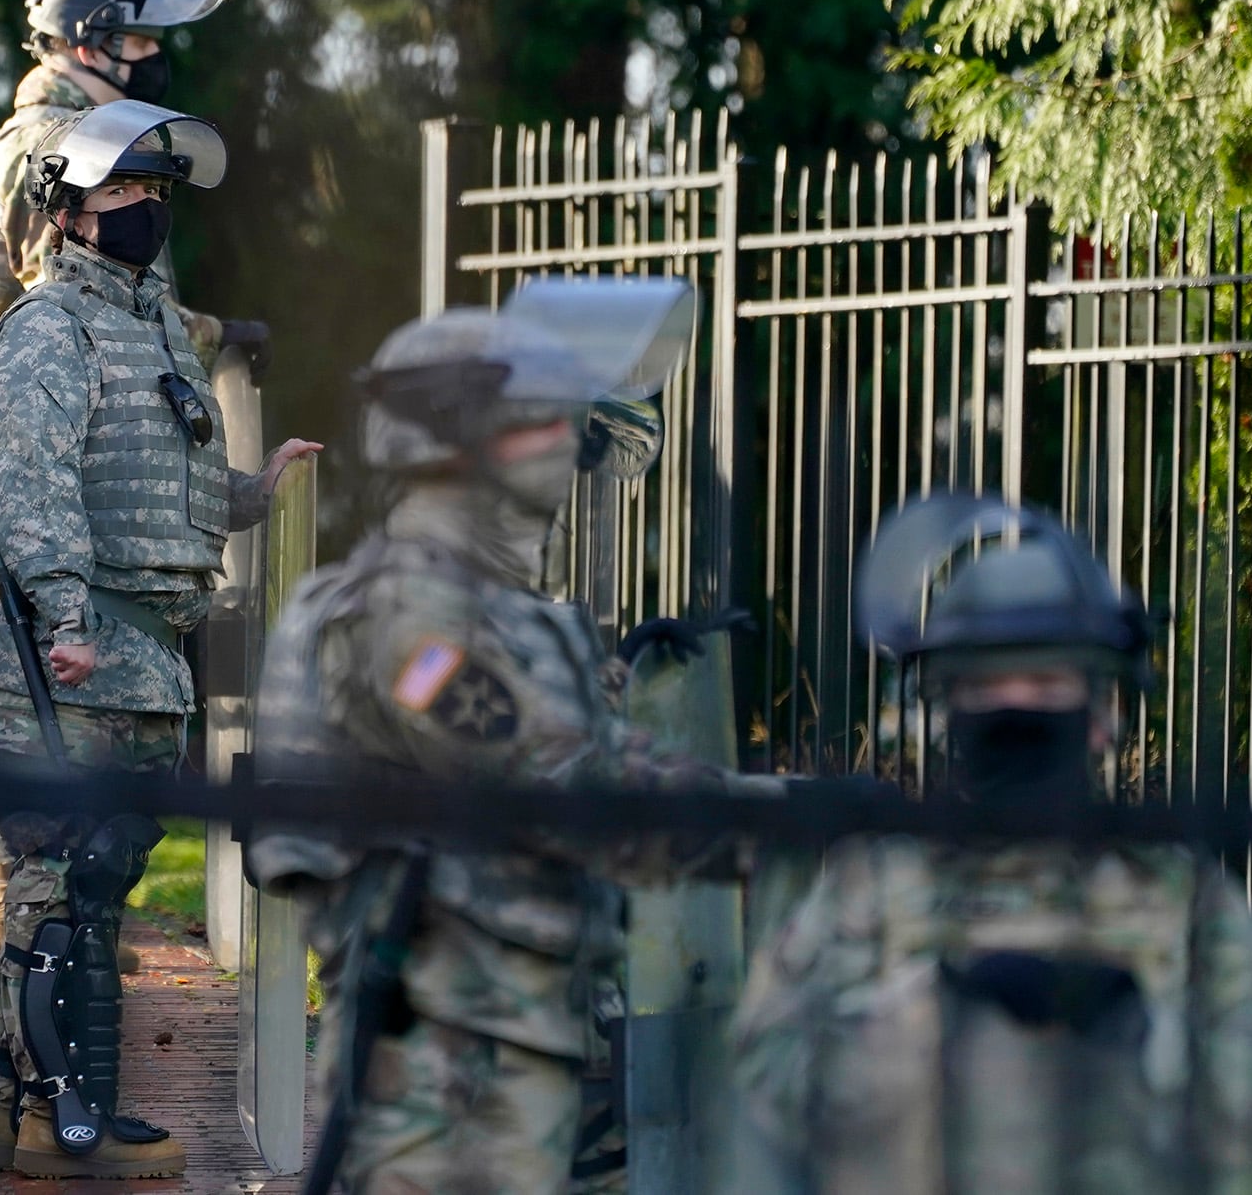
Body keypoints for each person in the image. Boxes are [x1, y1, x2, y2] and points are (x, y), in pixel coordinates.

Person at [246, 305, 854, 1195]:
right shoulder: (400, 618)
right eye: (540, 420)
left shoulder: (492, 613)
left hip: (517, 1044)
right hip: (440, 1074)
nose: (565, 445)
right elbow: (566, 781)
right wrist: (789, 814)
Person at [726, 496, 1252, 1194]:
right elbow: (763, 1096)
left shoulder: (1187, 900)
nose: (1017, 703)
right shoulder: (872, 889)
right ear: (949, 712)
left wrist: (1134, 1039)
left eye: (1046, 680)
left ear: (1102, 715)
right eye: (987, 684)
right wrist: (922, 1025)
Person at [0, 99, 319, 1180]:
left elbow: (164, 487)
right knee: (50, 894)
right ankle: (52, 1118)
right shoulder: (48, 327)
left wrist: (253, 494)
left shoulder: (153, 324)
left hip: (145, 665)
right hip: (69, 668)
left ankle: (64, 1109)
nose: (143, 213)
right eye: (121, 193)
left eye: (155, 195)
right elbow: (23, 480)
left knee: (97, 887)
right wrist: (65, 611)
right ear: (66, 211)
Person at [0, 0, 269, 973]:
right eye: (135, 40)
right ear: (83, 41)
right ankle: (37, 956)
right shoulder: (60, 143)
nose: (153, 57)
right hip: (47, 440)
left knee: (69, 738)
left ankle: (47, 946)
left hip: (32, 433)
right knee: (55, 721)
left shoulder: (19, 135)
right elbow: (81, 311)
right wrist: (216, 334)